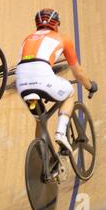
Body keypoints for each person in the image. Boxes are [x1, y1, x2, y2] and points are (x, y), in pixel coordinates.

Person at [15, 8, 98, 152]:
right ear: (56, 24)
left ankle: (43, 160)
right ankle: (60, 132)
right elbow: (78, 73)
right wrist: (90, 86)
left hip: (21, 82)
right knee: (69, 93)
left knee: (40, 121)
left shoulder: (27, 38)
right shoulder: (63, 39)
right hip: (42, 76)